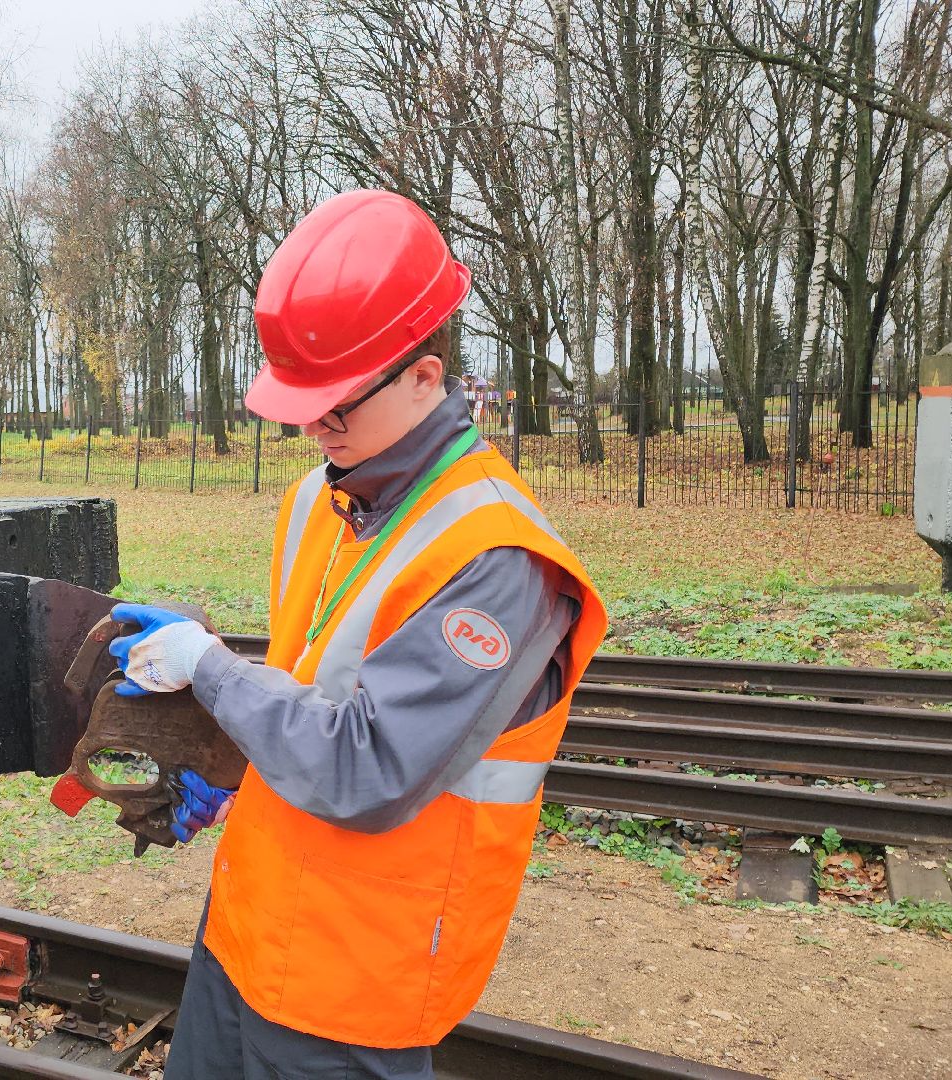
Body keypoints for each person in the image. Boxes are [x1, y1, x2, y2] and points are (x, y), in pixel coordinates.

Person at [108, 189, 607, 1080]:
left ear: (426, 374)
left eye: (337, 405)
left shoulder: (497, 560)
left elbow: (368, 766)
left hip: (358, 973)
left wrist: (214, 671)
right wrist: (234, 771)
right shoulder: (321, 498)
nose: (313, 427)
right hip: (248, 923)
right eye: (301, 404)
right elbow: (312, 686)